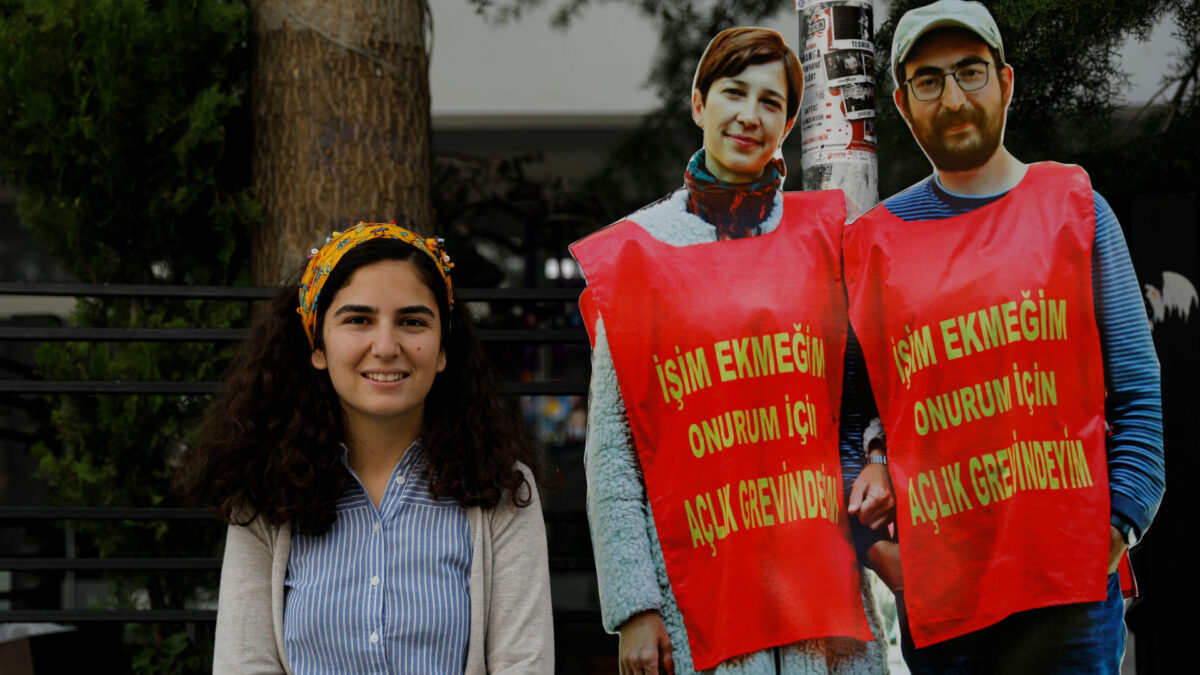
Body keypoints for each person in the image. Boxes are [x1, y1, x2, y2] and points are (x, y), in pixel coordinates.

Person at [841, 1, 1165, 672]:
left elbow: (1136, 386)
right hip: (944, 608)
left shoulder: (1077, 209)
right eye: (928, 81)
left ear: (1006, 82)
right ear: (903, 103)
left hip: (1070, 600)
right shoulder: (874, 244)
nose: (953, 97)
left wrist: (1116, 527)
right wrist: (882, 556)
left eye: (970, 71)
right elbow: (845, 420)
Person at [571, 27, 892, 674]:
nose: (749, 115)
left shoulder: (822, 237)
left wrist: (879, 455)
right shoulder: (637, 253)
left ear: (788, 123)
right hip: (697, 588)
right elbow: (613, 448)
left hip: (815, 583)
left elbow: (870, 385)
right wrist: (633, 607)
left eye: (771, 102)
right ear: (698, 102)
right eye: (733, 92)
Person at [176, 223, 553, 674]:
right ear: (317, 344)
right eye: (358, 320)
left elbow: (524, 664)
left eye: (412, 322)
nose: (387, 346)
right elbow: (244, 663)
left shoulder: (501, 488)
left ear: (442, 350)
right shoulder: (263, 490)